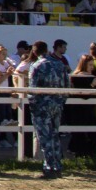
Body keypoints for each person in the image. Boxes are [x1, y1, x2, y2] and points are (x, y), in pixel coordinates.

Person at [27, 40, 70, 178]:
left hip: (41, 106)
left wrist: (32, 105)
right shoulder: (59, 64)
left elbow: (32, 89)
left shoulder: (37, 65)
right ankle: (57, 166)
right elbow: (66, 86)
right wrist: (61, 102)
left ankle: (49, 167)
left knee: (45, 138)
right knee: (55, 136)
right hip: (57, 104)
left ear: (34, 51)